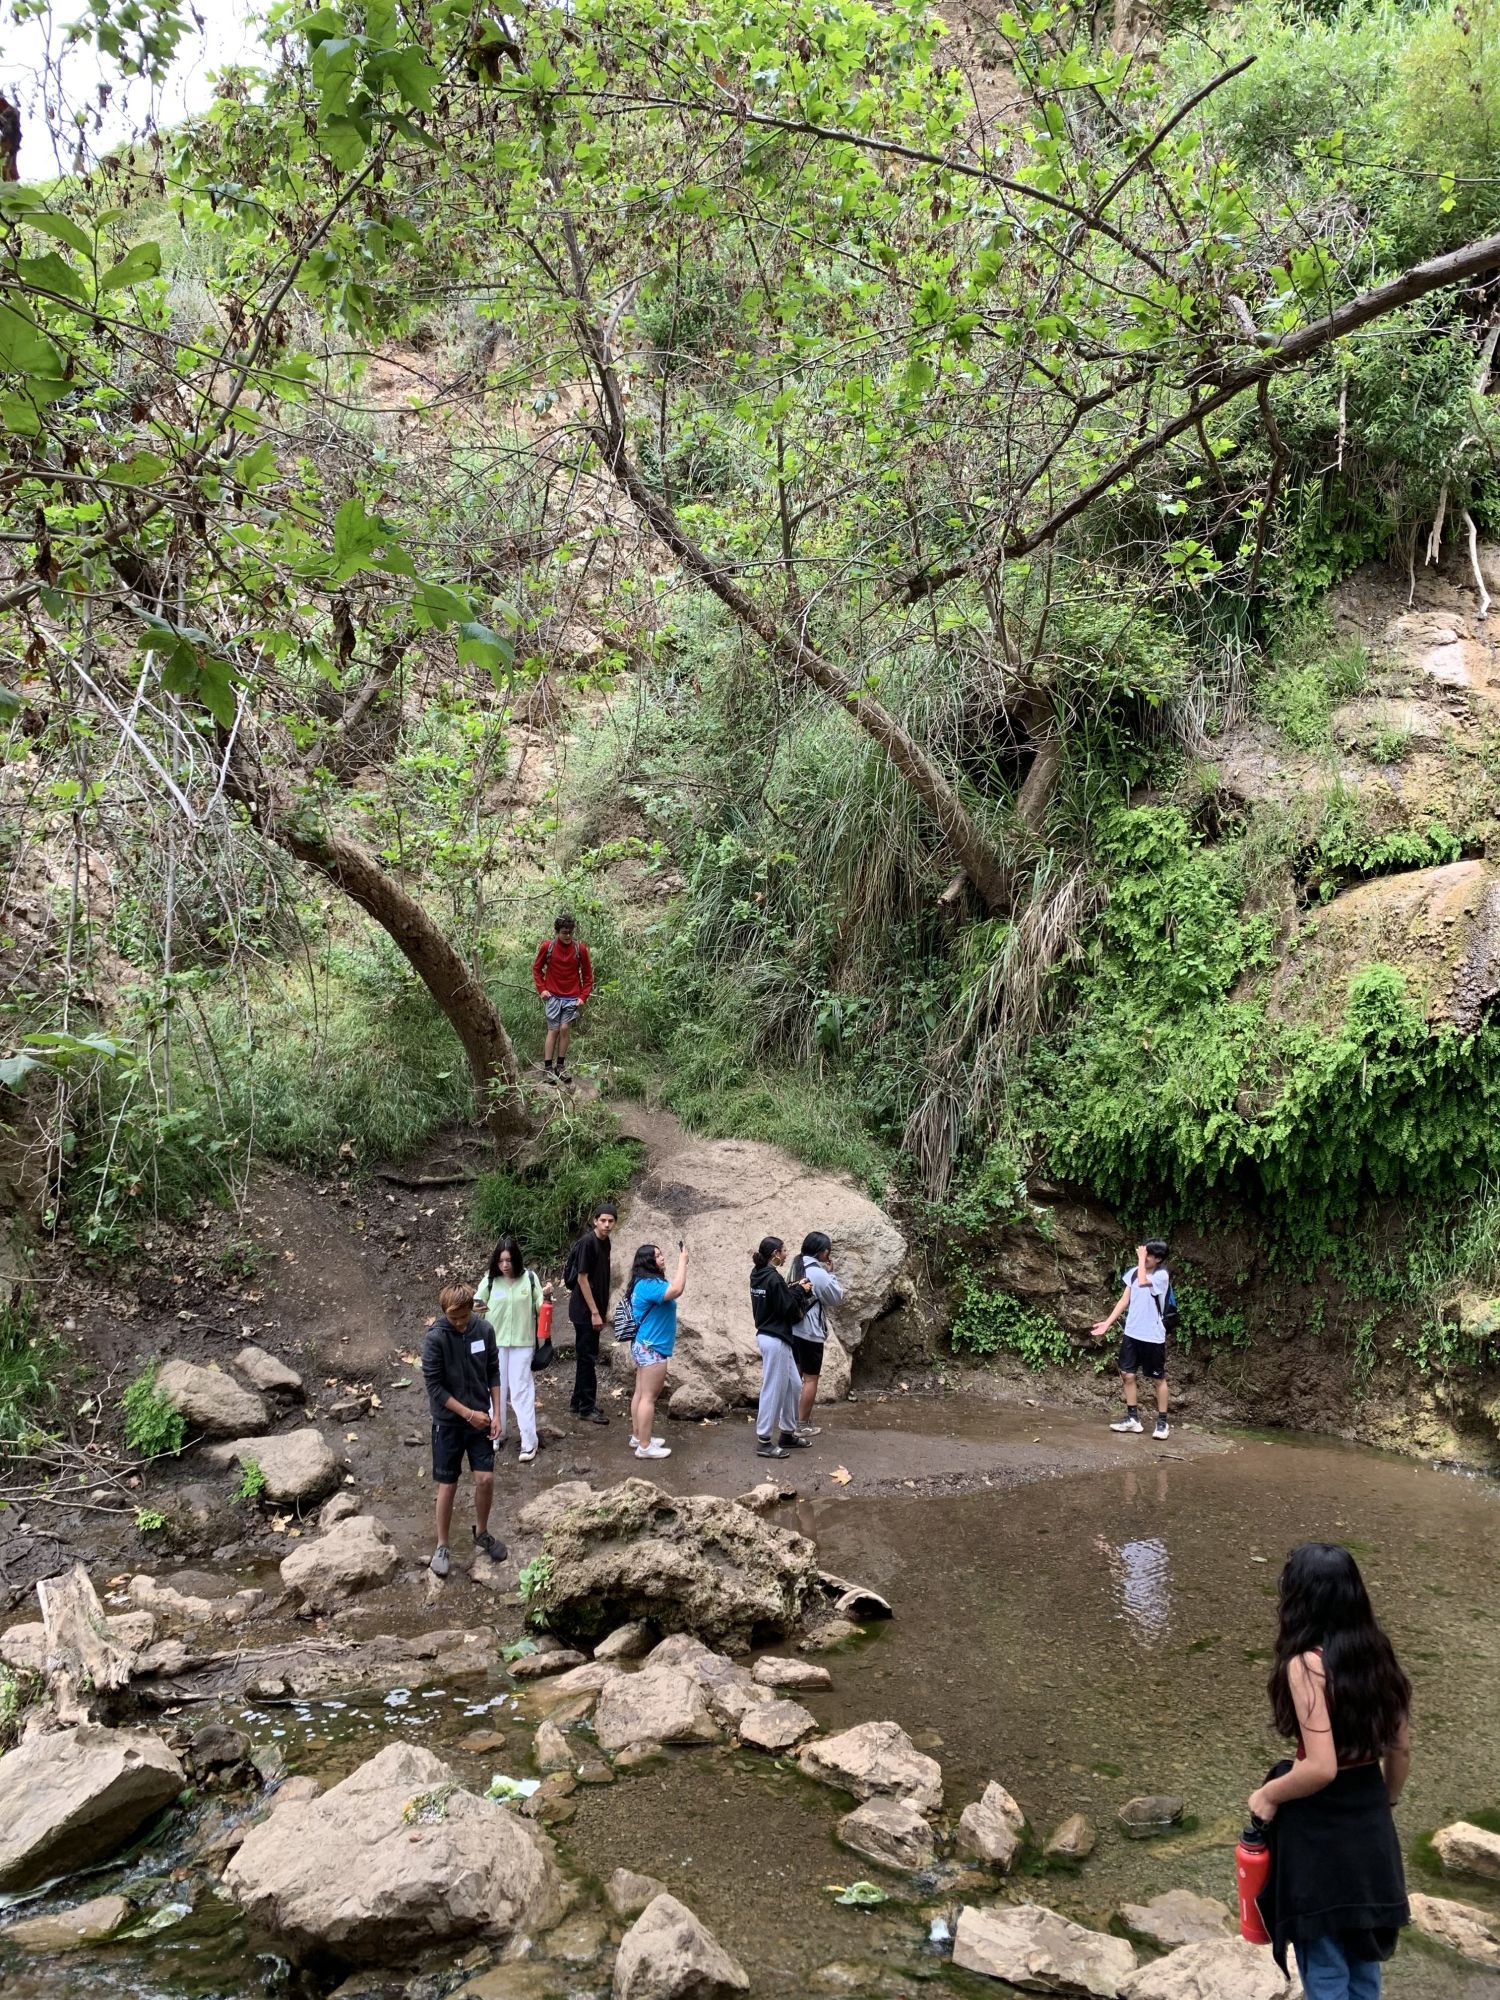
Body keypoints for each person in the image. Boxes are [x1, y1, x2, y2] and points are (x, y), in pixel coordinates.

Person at [1249, 1543, 1411, 1999]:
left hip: (1319, 1829)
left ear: (1301, 1598)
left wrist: (1269, 1795)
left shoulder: (1307, 1664)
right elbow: (1400, 1749)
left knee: (1323, 1961)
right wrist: (1386, 1801)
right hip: (1370, 1821)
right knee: (1364, 1956)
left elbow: (1320, 1768)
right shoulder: (1378, 1652)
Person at [421, 1281, 506, 1577]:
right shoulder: (436, 1338)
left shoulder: (484, 1331)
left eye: (464, 1316)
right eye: (453, 1317)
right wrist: (468, 1414)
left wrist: (497, 1414)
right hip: (449, 1423)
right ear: (444, 1312)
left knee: (485, 1479)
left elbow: (493, 1371)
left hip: (481, 1418)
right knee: (448, 1484)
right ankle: (442, 1545)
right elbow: (435, 1387)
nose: (458, 1323)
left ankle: (481, 1532)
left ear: (473, 1309)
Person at [473, 1236, 549, 1465]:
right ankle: (497, 1433)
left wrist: (547, 1296)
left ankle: (529, 1441)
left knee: (521, 1391)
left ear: (516, 1259)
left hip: (522, 1344)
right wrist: (476, 1305)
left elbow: (541, 1307)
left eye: (508, 1260)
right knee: (495, 1389)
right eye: (500, 1261)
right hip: (494, 1344)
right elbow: (476, 1303)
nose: (505, 1265)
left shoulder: (530, 1279)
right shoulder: (490, 1280)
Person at [1090, 1238, 1172, 1439]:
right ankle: (1133, 1419)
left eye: (1149, 1255)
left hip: (1152, 1336)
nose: (1144, 1257)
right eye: (1144, 1253)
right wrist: (1107, 1323)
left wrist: (1141, 1258)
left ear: (1158, 1259)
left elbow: (1144, 1282)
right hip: (1132, 1333)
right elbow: (1124, 1299)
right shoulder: (1134, 1272)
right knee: (1127, 1374)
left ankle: (1162, 1422)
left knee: (1157, 1378)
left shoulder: (1161, 1275)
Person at [623, 1239, 689, 1461]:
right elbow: (677, 1289)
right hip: (652, 1347)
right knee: (649, 1397)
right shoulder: (649, 1285)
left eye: (661, 1254)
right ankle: (645, 1447)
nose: (662, 1258)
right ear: (648, 1262)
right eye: (657, 1256)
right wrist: (683, 1261)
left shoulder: (642, 1282)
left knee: (641, 1393)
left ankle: (638, 1437)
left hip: (643, 1345)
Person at [750, 1236, 812, 1459]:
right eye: (784, 1251)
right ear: (775, 1254)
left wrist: (793, 1288)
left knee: (794, 1385)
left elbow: (777, 1297)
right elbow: (787, 1308)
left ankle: (787, 1433)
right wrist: (802, 1291)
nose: (786, 1254)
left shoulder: (758, 1273)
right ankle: (764, 1441)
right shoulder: (773, 1278)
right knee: (773, 1388)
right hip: (775, 1338)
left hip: (771, 1336)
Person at [788, 1231, 843, 1438]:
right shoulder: (817, 1272)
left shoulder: (795, 1265)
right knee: (810, 1379)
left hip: (792, 1328)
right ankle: (802, 1424)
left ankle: (789, 1420)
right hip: (809, 1332)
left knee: (795, 1375)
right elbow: (836, 1297)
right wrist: (831, 1274)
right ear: (823, 1252)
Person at [566, 1200, 616, 1424]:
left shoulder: (606, 1242)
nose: (606, 1224)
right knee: (588, 1358)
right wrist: (595, 1312)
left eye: (611, 1221)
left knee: (586, 1356)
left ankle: (578, 1402)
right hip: (584, 1311)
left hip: (594, 1309)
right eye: (602, 1220)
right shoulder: (588, 1242)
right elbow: (582, 1279)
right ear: (595, 1221)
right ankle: (586, 1408)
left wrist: (602, 1309)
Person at [532, 910, 593, 1083]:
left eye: (570, 933)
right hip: (552, 996)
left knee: (564, 1028)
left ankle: (560, 1066)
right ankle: (548, 1068)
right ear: (557, 931)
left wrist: (583, 996)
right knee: (553, 1030)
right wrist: (542, 989)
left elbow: (588, 976)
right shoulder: (548, 946)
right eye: (564, 933)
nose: (568, 936)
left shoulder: (580, 949)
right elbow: (536, 969)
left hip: (572, 997)